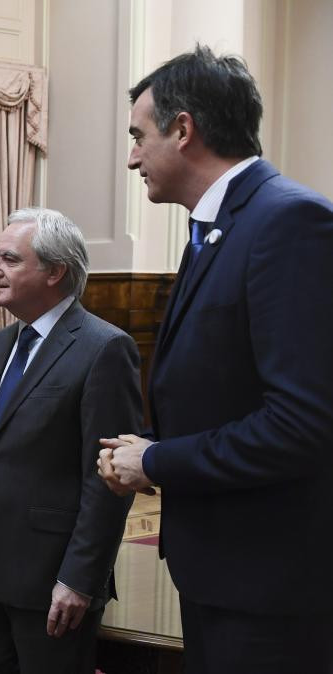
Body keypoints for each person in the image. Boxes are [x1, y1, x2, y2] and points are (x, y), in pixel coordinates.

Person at [99, 45, 333, 672]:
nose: (130, 157)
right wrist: (150, 445)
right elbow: (231, 387)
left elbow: (300, 425)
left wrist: (158, 459)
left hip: (270, 586)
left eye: (137, 136)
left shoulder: (289, 222)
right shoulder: (222, 225)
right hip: (225, 573)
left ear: (183, 130)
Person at [0, 208, 142, 674]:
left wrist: (79, 579)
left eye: (10, 259)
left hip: (53, 579)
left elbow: (106, 482)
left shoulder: (104, 347)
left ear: (55, 271)